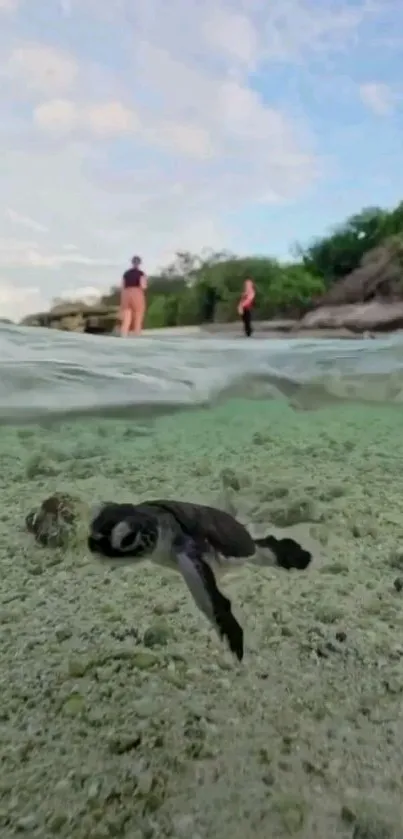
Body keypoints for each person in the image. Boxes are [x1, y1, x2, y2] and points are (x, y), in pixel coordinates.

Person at [120, 256, 147, 336]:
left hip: (126, 293)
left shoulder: (126, 273)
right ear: (139, 263)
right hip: (136, 292)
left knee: (126, 314)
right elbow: (143, 286)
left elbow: (122, 285)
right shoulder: (141, 273)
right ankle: (137, 332)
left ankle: (124, 332)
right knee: (138, 313)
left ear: (132, 262)